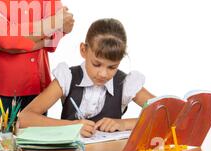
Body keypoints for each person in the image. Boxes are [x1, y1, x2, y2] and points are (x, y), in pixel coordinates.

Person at [19, 18, 155, 137]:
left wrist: (124, 123)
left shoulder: (125, 84)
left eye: (112, 67)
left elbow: (168, 115)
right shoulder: (67, 78)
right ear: (83, 50)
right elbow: (24, 118)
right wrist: (70, 126)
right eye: (96, 64)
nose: (103, 74)